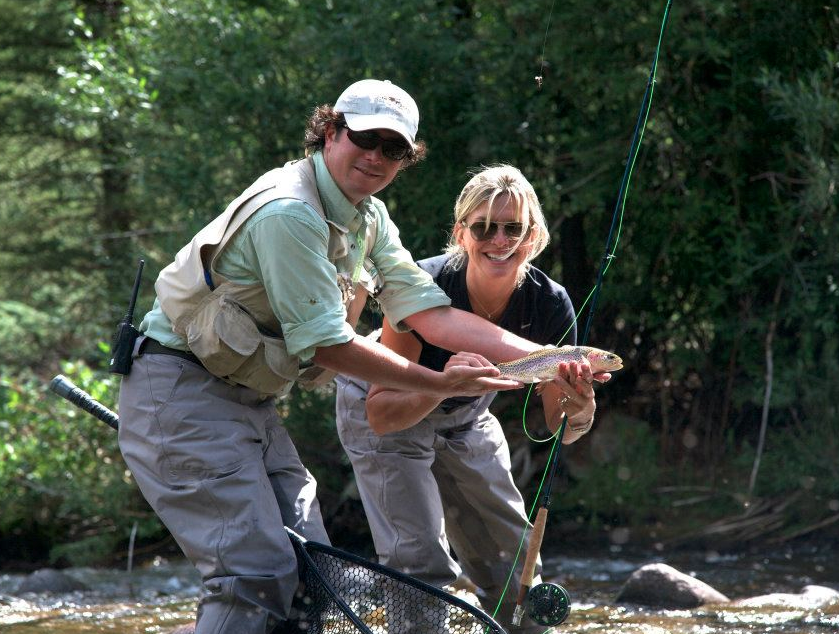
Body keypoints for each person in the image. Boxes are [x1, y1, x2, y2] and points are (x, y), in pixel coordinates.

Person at [117, 80, 552, 634]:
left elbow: (429, 313)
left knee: (312, 574)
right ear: (330, 133)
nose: (374, 156)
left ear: (406, 158)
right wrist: (438, 383)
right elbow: (328, 346)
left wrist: (549, 360)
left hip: (246, 402)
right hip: (178, 391)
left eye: (392, 148)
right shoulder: (291, 213)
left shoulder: (368, 217)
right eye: (364, 138)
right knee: (251, 577)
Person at [335, 165, 612, 633]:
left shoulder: (550, 304)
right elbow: (381, 416)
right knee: (420, 565)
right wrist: (442, 382)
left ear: (533, 236)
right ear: (462, 233)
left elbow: (560, 426)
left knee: (514, 560)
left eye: (513, 228)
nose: (498, 239)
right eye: (484, 227)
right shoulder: (422, 287)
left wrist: (581, 407)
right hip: (385, 403)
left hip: (466, 414)